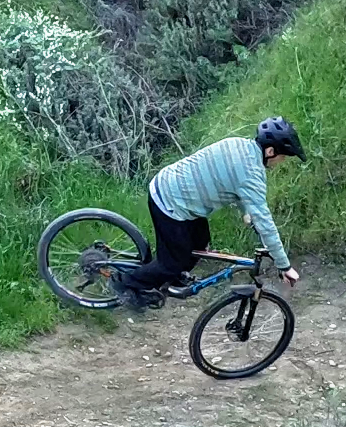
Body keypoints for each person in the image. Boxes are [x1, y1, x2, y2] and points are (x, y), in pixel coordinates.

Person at [115, 117, 305, 311]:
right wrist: (284, 266)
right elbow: (265, 223)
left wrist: (247, 211)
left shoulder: (239, 145)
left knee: (200, 243)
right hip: (169, 200)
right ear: (271, 151)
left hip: (182, 194)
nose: (281, 161)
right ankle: (126, 284)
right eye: (283, 157)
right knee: (171, 262)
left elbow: (235, 183)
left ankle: (169, 277)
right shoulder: (252, 173)